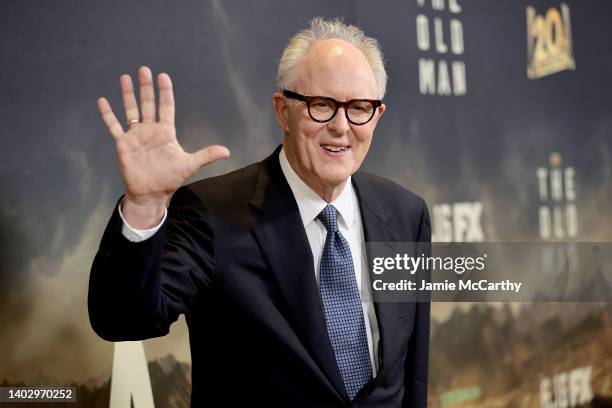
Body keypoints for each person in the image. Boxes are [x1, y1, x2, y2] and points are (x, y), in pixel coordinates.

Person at [89, 17, 431, 407]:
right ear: (283, 111)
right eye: (321, 105)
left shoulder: (406, 213)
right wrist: (145, 206)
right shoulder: (212, 214)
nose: (341, 126)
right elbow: (122, 318)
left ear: (378, 116)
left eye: (359, 108)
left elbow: (411, 373)